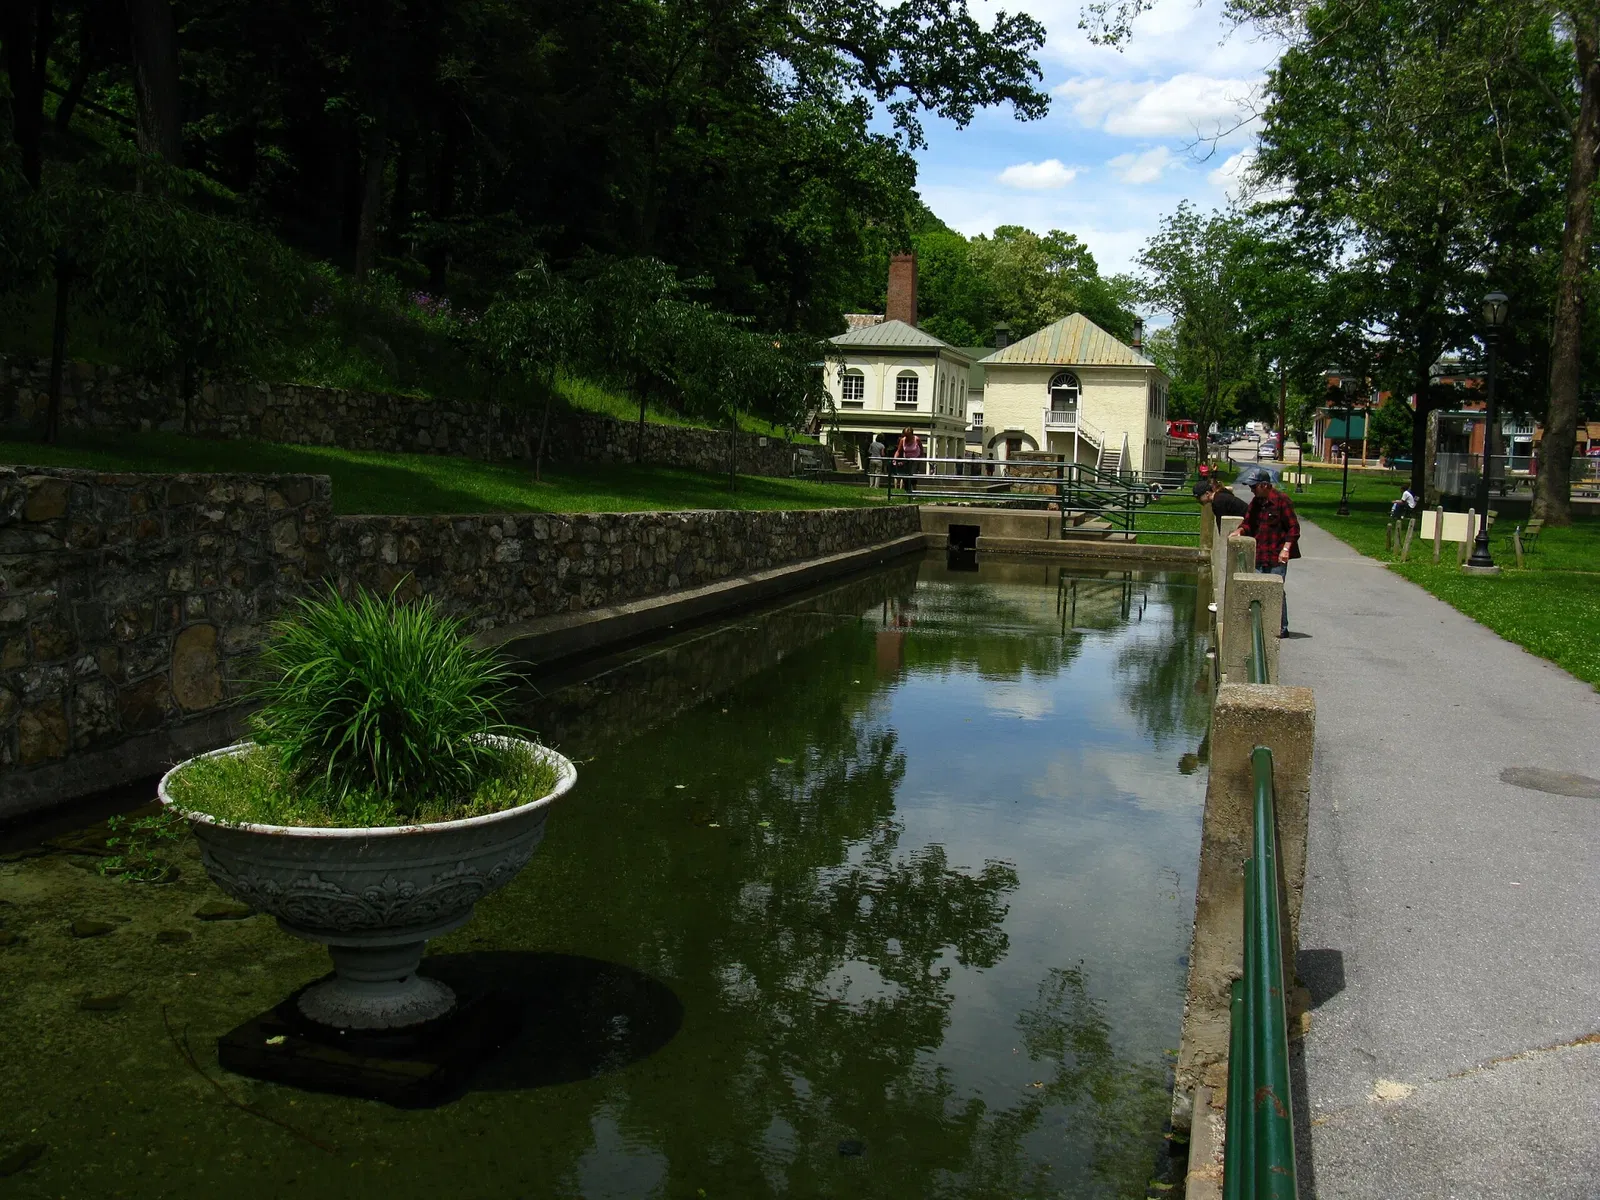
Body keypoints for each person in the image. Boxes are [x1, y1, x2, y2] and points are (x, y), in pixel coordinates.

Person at [1232, 467, 1300, 636]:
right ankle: (1260, 626)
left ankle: (1281, 628)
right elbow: (1249, 523)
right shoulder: (1255, 503)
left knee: (1276, 591)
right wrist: (1240, 530)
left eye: (1254, 487)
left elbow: (1293, 529)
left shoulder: (1282, 501)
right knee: (1257, 590)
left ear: (1264, 485)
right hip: (1260, 553)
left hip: (1276, 554)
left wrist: (1286, 550)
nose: (1251, 490)